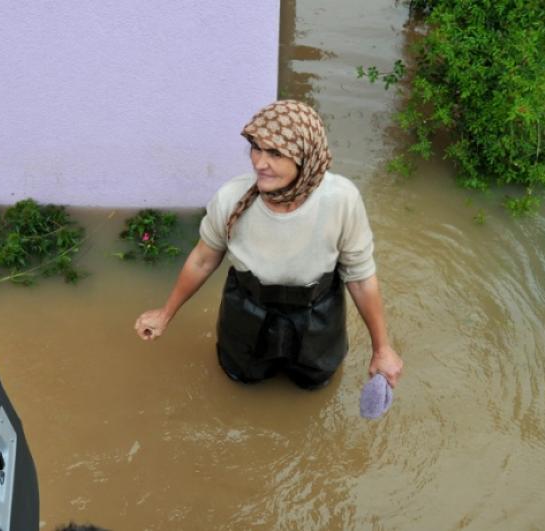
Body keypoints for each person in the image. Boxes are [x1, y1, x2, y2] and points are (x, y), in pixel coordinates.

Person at [134, 100, 403, 389]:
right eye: (257, 148)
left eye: (275, 153)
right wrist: (165, 314)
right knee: (240, 378)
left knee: (313, 384)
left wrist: (382, 349)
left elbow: (361, 278)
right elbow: (203, 259)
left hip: (317, 314)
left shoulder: (341, 201)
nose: (259, 163)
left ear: (305, 156)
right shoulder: (231, 199)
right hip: (247, 309)